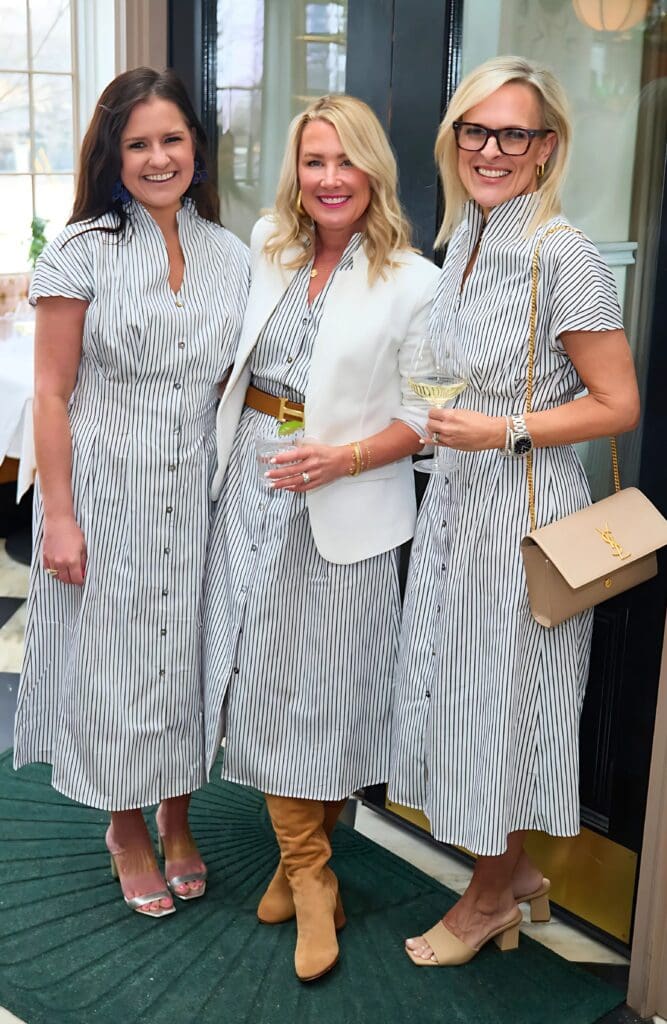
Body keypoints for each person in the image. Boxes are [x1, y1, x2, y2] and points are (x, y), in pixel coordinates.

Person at [388, 55, 640, 967]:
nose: (491, 150)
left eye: (513, 134)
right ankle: (518, 876)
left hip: (523, 515)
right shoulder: (464, 239)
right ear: (454, 138)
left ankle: (490, 896)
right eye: (474, 130)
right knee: (461, 701)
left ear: (546, 148)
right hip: (456, 502)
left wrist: (501, 432)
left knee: (498, 708)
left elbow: (618, 403)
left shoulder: (558, 251)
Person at [202, 94, 439, 980]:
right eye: (313, 162)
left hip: (350, 495)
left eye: (345, 162)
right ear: (294, 175)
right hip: (252, 484)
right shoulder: (269, 244)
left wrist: (344, 457)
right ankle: (308, 870)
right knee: (258, 682)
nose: (329, 178)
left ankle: (306, 873)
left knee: (329, 694)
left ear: (373, 170)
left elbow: (426, 412)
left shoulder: (415, 279)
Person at [13, 68, 249, 918]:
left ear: (197, 146)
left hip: (199, 492)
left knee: (186, 661)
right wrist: (63, 518)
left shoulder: (231, 254)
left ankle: (177, 815)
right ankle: (125, 826)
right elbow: (49, 392)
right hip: (105, 490)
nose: (158, 157)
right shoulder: (79, 251)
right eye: (138, 142)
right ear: (113, 151)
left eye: (172, 139)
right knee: (117, 669)